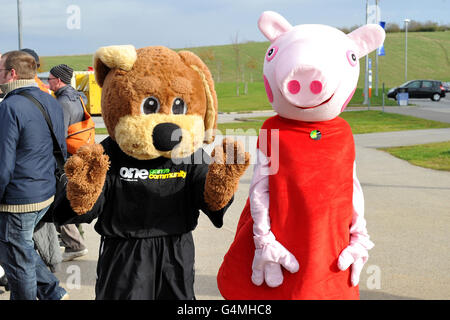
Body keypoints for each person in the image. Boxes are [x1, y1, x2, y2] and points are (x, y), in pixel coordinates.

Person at [0, 50, 68, 300]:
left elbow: (3, 163)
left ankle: (49, 292)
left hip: (19, 200)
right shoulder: (49, 99)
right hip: (44, 192)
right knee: (20, 250)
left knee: (19, 264)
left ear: (12, 73)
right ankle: (53, 292)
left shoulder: (9, 107)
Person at [48, 64, 89, 261]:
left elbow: (59, 135)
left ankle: (75, 244)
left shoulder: (62, 102)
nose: (48, 83)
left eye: (50, 79)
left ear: (59, 80)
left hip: (67, 157)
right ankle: (76, 238)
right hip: (80, 152)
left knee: (60, 199)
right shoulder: (80, 96)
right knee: (71, 196)